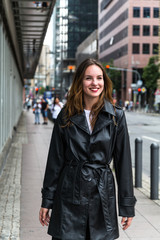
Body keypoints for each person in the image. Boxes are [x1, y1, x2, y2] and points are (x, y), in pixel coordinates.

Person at [39, 58, 136, 240]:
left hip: (102, 196)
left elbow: (124, 164)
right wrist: (47, 200)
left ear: (104, 82)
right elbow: (55, 160)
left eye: (99, 78)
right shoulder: (66, 115)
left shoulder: (116, 116)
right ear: (80, 82)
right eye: (88, 78)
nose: (95, 83)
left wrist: (127, 206)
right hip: (69, 193)